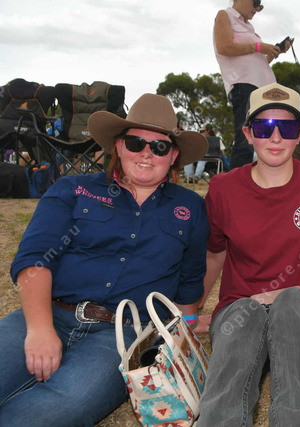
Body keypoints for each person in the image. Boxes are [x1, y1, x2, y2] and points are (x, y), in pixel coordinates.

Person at [0, 93, 209, 425]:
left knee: (60, 408)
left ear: (173, 156)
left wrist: (188, 328)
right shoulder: (72, 189)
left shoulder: (191, 207)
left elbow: (189, 279)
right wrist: (39, 329)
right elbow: (35, 259)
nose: (146, 153)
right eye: (136, 142)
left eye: (159, 147)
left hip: (119, 338)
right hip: (50, 313)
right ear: (119, 146)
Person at [198, 83, 300, 425]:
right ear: (248, 133)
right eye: (264, 127)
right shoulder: (223, 188)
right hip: (240, 316)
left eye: (287, 127)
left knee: (292, 300)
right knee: (245, 310)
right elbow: (214, 256)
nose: (276, 137)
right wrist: (189, 315)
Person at [214, 0, 292, 170]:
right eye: (256, 2)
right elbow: (224, 47)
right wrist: (259, 46)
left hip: (263, 90)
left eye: (261, 5)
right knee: (245, 140)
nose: (258, 8)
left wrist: (275, 51)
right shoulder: (224, 15)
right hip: (244, 86)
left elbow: (257, 63)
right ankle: (236, 183)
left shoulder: (249, 27)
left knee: (263, 138)